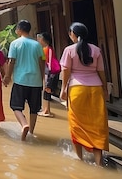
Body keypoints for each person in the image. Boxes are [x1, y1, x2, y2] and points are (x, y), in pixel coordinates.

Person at [60, 22, 109, 166]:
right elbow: (101, 72)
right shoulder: (96, 50)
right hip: (96, 89)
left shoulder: (69, 50)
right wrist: (105, 88)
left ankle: (79, 160)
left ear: (73, 34)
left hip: (77, 89)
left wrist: (63, 89)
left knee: (76, 124)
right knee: (97, 125)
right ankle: (99, 163)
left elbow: (66, 71)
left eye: (70, 33)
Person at [2, 20, 45, 141]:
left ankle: (24, 124)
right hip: (35, 81)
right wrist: (42, 78)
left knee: (16, 106)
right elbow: (42, 62)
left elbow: (11, 61)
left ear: (19, 30)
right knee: (34, 108)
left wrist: (7, 76)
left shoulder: (15, 43)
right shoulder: (37, 45)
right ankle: (31, 131)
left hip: (20, 80)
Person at [37, 32, 59, 117]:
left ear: (43, 40)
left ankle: (47, 110)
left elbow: (48, 62)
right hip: (48, 72)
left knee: (47, 90)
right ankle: (46, 109)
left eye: (40, 39)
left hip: (49, 73)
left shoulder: (47, 49)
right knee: (46, 91)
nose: (38, 40)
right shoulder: (47, 49)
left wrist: (47, 74)